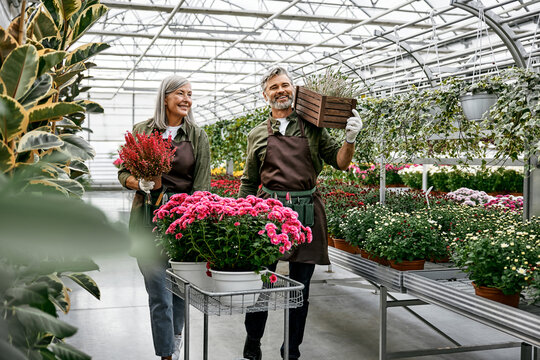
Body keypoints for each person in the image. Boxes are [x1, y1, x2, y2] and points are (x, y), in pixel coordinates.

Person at [238, 66, 362, 360]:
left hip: (306, 212)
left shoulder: (312, 128)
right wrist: (241, 218)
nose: (281, 91)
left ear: (293, 89)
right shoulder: (256, 134)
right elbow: (249, 181)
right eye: (274, 87)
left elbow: (340, 163)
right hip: (268, 213)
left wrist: (350, 139)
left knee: (300, 289)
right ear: (265, 94)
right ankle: (253, 339)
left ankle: (291, 349)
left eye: (285, 85)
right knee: (262, 283)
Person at [118, 75, 211, 360]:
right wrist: (139, 183)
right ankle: (167, 354)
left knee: (180, 290)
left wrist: (193, 221)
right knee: (158, 292)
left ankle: (176, 339)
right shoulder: (142, 130)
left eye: (190, 94)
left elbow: (202, 186)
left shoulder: (197, 135)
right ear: (165, 97)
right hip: (146, 219)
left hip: (183, 223)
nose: (187, 99)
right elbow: (123, 173)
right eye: (180, 93)